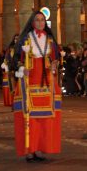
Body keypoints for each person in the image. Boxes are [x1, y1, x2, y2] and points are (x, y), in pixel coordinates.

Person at [12, 12, 62, 162]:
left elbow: (56, 57)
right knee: (29, 118)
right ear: (32, 23)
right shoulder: (25, 40)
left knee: (44, 118)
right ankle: (29, 149)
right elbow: (16, 59)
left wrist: (55, 63)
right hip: (29, 81)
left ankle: (40, 148)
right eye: (37, 20)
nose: (40, 23)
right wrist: (21, 68)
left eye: (42, 20)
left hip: (47, 82)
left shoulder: (50, 40)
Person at [1, 34, 19, 107]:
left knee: (20, 87)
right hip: (12, 70)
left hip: (20, 70)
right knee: (13, 88)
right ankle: (13, 104)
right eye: (15, 39)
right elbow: (7, 59)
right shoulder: (10, 49)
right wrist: (8, 66)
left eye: (18, 39)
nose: (16, 40)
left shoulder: (23, 48)